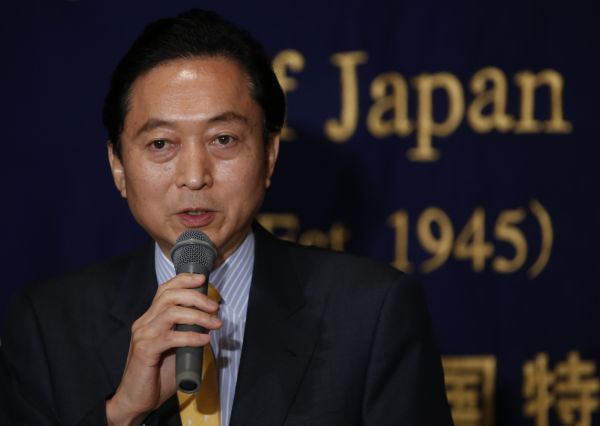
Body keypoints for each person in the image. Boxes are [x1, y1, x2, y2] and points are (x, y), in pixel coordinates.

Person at [0, 9, 453, 426]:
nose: (194, 176)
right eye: (161, 144)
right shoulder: (46, 325)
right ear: (118, 165)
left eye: (223, 139)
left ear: (269, 154)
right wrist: (122, 413)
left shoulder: (372, 312)